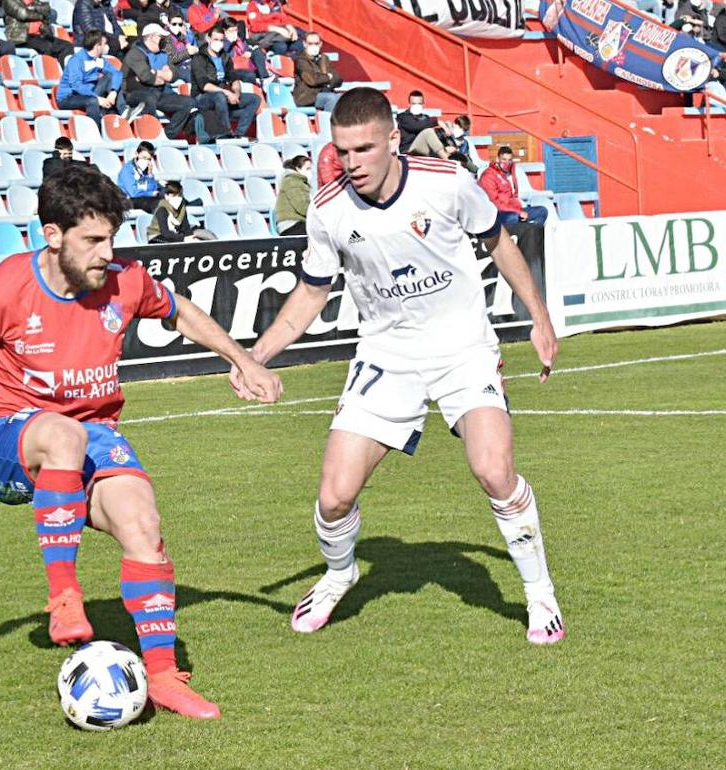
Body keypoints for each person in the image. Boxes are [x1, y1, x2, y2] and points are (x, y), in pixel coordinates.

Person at [0, 162, 282, 721]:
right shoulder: (4, 289)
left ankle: (164, 676)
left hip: (92, 435)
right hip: (2, 442)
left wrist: (241, 360)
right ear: (53, 235)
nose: (105, 252)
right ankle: (64, 595)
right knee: (64, 434)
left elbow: (180, 312)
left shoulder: (125, 279)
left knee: (143, 524)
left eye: (112, 238)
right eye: (93, 240)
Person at [230, 88, 564, 647]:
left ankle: (538, 591)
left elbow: (499, 242)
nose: (351, 162)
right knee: (334, 496)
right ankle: (341, 573)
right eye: (341, 151)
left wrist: (539, 315)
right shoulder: (328, 209)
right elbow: (312, 294)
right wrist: (255, 356)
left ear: (391, 139)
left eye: (363, 149)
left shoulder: (448, 181)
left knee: (494, 471)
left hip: (463, 348)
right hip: (387, 355)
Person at [122, 24, 198, 141]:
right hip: (135, 93)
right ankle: (148, 134)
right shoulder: (135, 53)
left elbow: (173, 75)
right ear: (152, 37)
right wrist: (162, 75)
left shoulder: (164, 53)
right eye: (161, 37)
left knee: (190, 102)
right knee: (149, 99)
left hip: (160, 93)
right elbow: (147, 77)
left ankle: (166, 136)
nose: (165, 40)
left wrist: (156, 73)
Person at [190, 25, 262, 140]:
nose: (219, 43)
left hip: (221, 97)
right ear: (208, 39)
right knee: (220, 96)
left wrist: (236, 93)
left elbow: (234, 79)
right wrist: (227, 93)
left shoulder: (225, 57)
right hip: (202, 98)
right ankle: (226, 134)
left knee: (255, 99)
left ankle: (239, 134)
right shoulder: (199, 58)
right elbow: (204, 85)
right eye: (215, 39)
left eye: (221, 40)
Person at [56, 31, 125, 123]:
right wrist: (98, 99)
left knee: (111, 77)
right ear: (97, 46)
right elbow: (76, 85)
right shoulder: (76, 60)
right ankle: (97, 130)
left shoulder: (99, 60)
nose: (106, 47)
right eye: (104, 44)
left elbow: (117, 73)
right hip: (69, 97)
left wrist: (113, 92)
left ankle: (124, 112)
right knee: (92, 101)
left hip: (90, 92)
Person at [479, 146, 548, 228]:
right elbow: (494, 202)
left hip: (514, 209)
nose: (506, 163)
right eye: (504, 159)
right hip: (497, 213)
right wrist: (518, 212)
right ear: (497, 159)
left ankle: (531, 235)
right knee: (513, 217)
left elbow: (512, 197)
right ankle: (513, 239)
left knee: (542, 211)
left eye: (509, 160)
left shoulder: (511, 172)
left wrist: (519, 210)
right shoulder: (488, 176)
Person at [2, 0, 74, 61]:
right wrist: (41, 16)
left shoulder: (33, 1)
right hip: (22, 36)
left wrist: (32, 8)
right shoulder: (8, 1)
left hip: (41, 34)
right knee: (46, 47)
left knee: (67, 46)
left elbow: (47, 9)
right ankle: (48, 73)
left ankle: (66, 74)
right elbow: (23, 14)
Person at [147, 180, 213, 242]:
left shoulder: (182, 208)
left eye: (179, 197)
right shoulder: (162, 209)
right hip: (158, 237)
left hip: (176, 234)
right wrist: (184, 239)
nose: (177, 200)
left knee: (206, 235)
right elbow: (165, 233)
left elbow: (185, 227)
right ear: (167, 196)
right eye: (173, 197)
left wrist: (191, 237)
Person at [410, 115, 477, 174]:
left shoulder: (463, 141)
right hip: (433, 158)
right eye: (458, 128)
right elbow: (439, 149)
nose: (460, 131)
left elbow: (463, 156)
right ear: (454, 124)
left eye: (462, 130)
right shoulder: (441, 131)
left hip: (448, 160)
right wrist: (447, 150)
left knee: (463, 159)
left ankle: (477, 171)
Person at [294, 32, 343, 112]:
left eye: (316, 43)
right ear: (304, 44)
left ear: (320, 44)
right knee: (330, 98)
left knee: (343, 97)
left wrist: (327, 83)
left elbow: (338, 78)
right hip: (307, 96)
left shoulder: (324, 58)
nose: (313, 46)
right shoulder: (301, 60)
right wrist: (328, 77)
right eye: (310, 43)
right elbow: (312, 80)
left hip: (325, 91)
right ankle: (328, 123)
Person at [117, 140, 162, 210]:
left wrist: (150, 175)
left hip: (144, 197)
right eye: (144, 157)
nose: (146, 161)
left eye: (149, 159)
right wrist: (150, 193)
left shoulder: (146, 170)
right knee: (156, 204)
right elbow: (133, 193)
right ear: (136, 154)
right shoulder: (127, 170)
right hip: (129, 200)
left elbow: (153, 189)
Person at [274, 154, 311, 236]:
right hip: (291, 224)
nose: (310, 172)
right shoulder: (292, 181)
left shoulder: (299, 182)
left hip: (298, 223)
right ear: (298, 168)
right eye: (308, 169)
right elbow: (301, 206)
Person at [395, 90, 437, 155]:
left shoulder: (426, 117)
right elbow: (416, 126)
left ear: (423, 105)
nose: (416, 106)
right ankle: (445, 157)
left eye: (419, 104)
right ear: (409, 104)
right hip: (408, 149)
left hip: (424, 149)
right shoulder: (403, 117)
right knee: (428, 132)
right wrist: (437, 121)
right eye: (414, 104)